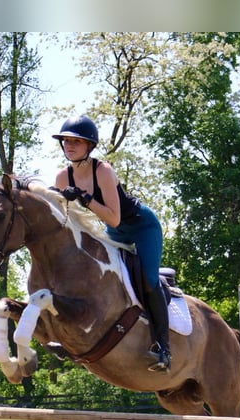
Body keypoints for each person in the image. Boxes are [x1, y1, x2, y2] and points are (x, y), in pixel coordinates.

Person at [52, 114, 171, 372]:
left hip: (141, 226)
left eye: (76, 141)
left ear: (89, 146)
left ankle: (164, 347)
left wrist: (84, 198)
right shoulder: (62, 178)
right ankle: (66, 335)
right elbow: (65, 221)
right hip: (112, 231)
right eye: (65, 141)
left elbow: (115, 219)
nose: (69, 146)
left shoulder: (103, 171)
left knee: (148, 280)